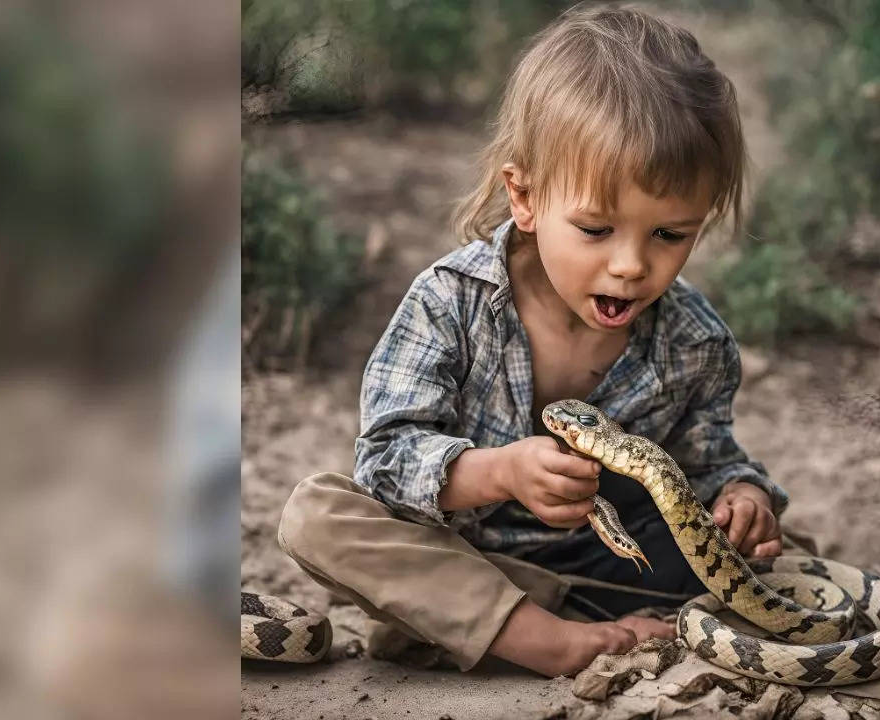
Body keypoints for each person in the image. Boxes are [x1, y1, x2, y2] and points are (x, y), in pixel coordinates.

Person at [278, 3, 789, 678]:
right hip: (468, 560)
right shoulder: (451, 302)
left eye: (669, 235)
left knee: (785, 565)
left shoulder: (695, 341)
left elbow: (708, 459)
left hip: (616, 564)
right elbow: (386, 460)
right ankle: (548, 641)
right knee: (317, 515)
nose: (632, 265)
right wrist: (500, 473)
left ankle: (479, 631)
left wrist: (743, 498)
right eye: (597, 230)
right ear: (525, 196)